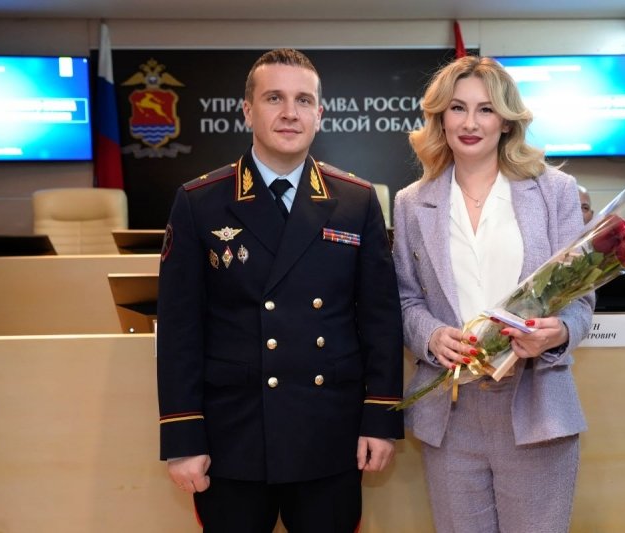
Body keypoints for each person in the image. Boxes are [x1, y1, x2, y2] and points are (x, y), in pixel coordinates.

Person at [156, 48, 404, 533]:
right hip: (233, 435)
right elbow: (180, 329)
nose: (290, 112)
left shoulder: (355, 201)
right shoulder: (200, 202)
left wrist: (380, 418)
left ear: (319, 114)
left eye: (303, 100)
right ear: (247, 110)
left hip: (328, 432)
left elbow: (380, 319)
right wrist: (183, 435)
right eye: (274, 98)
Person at [392, 56, 594, 533]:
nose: (470, 123)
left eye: (485, 109)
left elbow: (581, 300)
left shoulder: (555, 191)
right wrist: (431, 336)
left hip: (536, 408)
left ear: (506, 121)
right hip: (451, 412)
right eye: (457, 108)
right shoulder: (411, 202)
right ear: (440, 117)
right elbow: (405, 300)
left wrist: (556, 334)